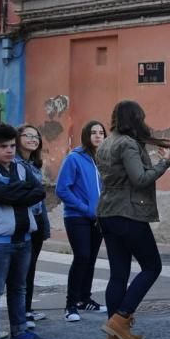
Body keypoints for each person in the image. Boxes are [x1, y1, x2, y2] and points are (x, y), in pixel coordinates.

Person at [96, 101, 170, 339]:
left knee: (118, 274)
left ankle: (114, 335)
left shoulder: (107, 142)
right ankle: (121, 318)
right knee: (152, 266)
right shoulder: (127, 143)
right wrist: (165, 164)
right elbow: (140, 179)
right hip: (128, 213)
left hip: (107, 212)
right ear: (135, 119)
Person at [0, 124, 50, 339]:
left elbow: (40, 191)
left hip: (24, 238)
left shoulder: (21, 168)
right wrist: (19, 192)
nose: (9, 151)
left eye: (11, 146)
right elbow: (3, 195)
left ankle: (20, 332)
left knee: (18, 288)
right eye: (2, 147)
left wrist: (12, 191)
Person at [55, 120, 107, 322]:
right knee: (82, 256)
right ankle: (70, 305)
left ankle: (85, 299)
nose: (97, 136)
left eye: (101, 132)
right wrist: (86, 209)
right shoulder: (74, 158)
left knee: (91, 258)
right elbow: (62, 189)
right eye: (93, 132)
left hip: (98, 218)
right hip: (77, 217)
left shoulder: (103, 160)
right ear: (86, 135)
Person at [16, 124, 51, 328]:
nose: (32, 139)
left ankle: (27, 308)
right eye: (27, 135)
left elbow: (41, 201)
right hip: (23, 219)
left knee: (30, 267)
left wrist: (44, 226)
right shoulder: (15, 163)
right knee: (22, 269)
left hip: (36, 218)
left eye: (36, 136)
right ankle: (21, 312)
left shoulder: (34, 164)